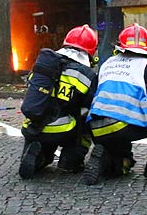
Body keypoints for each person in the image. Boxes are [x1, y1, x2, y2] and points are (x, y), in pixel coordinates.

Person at [86, 23, 147, 185]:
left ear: (120, 45)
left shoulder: (107, 63)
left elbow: (91, 94)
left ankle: (110, 160)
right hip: (124, 124)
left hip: (97, 127)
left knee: (122, 166)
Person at [19, 24, 99, 179]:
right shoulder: (86, 74)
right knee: (86, 120)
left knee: (44, 149)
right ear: (90, 51)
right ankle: (70, 162)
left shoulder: (45, 63)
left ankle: (39, 157)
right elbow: (91, 105)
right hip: (63, 130)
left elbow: (31, 84)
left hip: (33, 126)